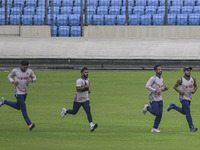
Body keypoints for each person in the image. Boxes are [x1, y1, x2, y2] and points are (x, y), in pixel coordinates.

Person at [0, 60, 36, 131]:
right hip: (18, 92)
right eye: (24, 67)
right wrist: (13, 81)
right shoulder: (16, 71)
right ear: (21, 66)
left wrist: (32, 80)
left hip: (25, 92)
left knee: (18, 107)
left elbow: (35, 78)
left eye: (26, 67)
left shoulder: (29, 71)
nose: (25, 69)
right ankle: (29, 124)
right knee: (23, 108)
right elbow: (9, 76)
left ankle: (4, 101)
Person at [60, 67, 98, 132]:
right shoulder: (79, 80)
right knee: (74, 112)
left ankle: (91, 125)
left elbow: (86, 88)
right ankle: (65, 111)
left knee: (88, 111)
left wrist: (88, 90)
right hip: (78, 99)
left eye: (88, 72)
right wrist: (86, 87)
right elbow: (78, 89)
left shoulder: (88, 80)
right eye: (86, 72)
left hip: (85, 99)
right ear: (82, 73)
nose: (87, 73)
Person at [167, 67, 198, 132]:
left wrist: (194, 90)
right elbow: (175, 87)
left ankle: (173, 106)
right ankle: (191, 127)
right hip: (183, 98)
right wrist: (180, 91)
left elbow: (196, 86)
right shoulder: (180, 80)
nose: (188, 72)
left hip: (189, 97)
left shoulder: (193, 78)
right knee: (188, 112)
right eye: (187, 71)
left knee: (184, 112)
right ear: (184, 72)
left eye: (189, 70)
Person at [143, 65, 169, 133]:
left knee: (160, 114)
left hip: (159, 98)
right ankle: (147, 107)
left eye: (161, 69)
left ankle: (155, 128)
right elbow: (147, 86)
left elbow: (160, 89)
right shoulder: (153, 78)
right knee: (156, 112)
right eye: (159, 69)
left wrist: (165, 89)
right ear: (155, 71)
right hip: (153, 98)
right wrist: (154, 90)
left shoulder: (161, 79)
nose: (160, 70)